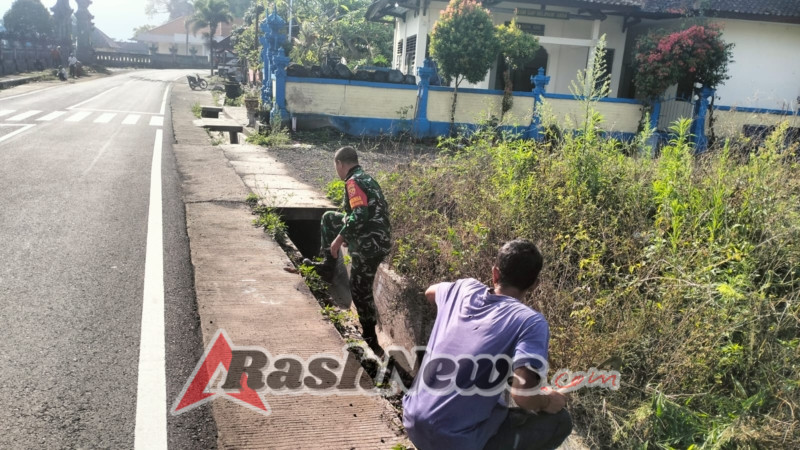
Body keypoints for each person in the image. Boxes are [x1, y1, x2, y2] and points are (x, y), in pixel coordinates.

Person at [402, 240, 573, 450]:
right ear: (535, 284)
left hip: (412, 419)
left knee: (496, 404)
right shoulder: (531, 322)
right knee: (560, 422)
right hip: (451, 441)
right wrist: (548, 401)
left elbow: (430, 292)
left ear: (495, 273)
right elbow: (522, 395)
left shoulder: (464, 288)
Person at [303, 146, 391, 354]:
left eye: (336, 166)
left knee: (360, 289)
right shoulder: (366, 178)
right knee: (329, 218)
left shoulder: (353, 182)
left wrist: (339, 239)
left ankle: (370, 338)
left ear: (340, 164)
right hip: (375, 237)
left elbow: (360, 215)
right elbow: (359, 214)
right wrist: (346, 233)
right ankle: (327, 267)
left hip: (370, 244)